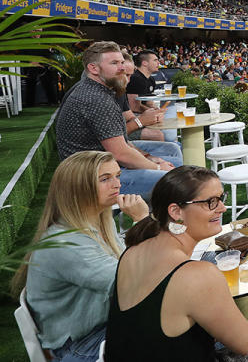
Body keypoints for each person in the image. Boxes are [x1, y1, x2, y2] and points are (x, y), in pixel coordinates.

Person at [107, 166, 248, 362]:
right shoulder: (195, 274)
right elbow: (245, 342)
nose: (222, 208)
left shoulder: (132, 251)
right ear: (176, 212)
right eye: (211, 202)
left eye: (220, 198)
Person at [11, 151, 149, 362]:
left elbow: (130, 266)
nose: (117, 185)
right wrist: (142, 221)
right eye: (105, 179)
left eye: (117, 176)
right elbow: (130, 281)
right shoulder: (65, 243)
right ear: (77, 189)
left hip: (103, 324)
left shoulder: (100, 222)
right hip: (80, 346)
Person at [56, 41, 182, 200]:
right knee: (174, 180)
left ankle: (156, 212)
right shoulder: (97, 99)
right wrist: (157, 167)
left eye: (122, 62)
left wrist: (149, 158)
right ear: (93, 69)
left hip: (101, 163)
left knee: (172, 151)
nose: (122, 68)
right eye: (114, 63)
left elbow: (122, 143)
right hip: (89, 177)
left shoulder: (100, 90)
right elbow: (120, 153)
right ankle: (155, 218)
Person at [118, 52, 168, 142]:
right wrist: (149, 115)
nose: (158, 63)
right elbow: (134, 107)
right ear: (145, 63)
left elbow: (149, 102)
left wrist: (154, 111)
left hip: (131, 120)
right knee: (158, 134)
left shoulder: (151, 79)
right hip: (125, 126)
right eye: (155, 60)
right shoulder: (136, 79)